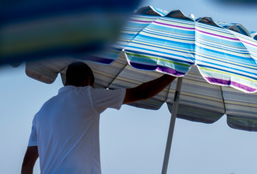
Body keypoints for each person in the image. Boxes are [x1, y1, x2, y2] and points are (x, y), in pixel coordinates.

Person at [20, 61, 175, 174]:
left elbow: (27, 164)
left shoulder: (41, 113)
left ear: (66, 82)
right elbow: (142, 93)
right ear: (89, 82)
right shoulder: (87, 95)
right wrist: (175, 73)